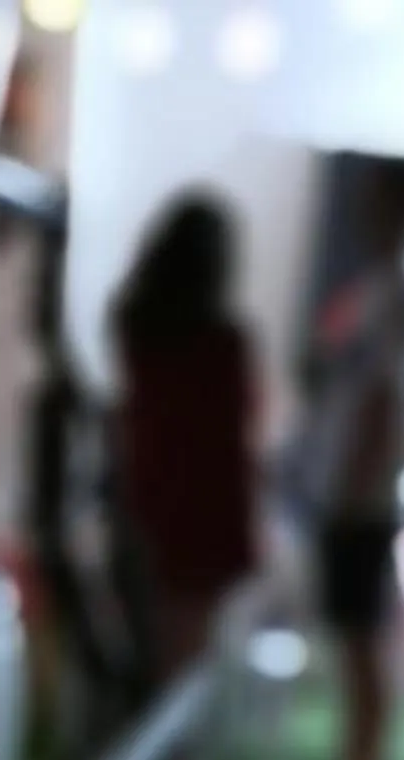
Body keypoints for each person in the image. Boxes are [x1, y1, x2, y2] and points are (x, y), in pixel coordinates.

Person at [288, 156, 404, 760]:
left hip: (362, 502)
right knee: (353, 651)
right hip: (352, 495)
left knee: (362, 651)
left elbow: (386, 400)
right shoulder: (381, 290)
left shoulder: (401, 293)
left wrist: (352, 489)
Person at [111, 193, 262, 683]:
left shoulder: (139, 329)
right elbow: (236, 436)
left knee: (157, 647)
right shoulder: (226, 344)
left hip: (151, 498)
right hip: (205, 512)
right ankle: (173, 755)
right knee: (189, 659)